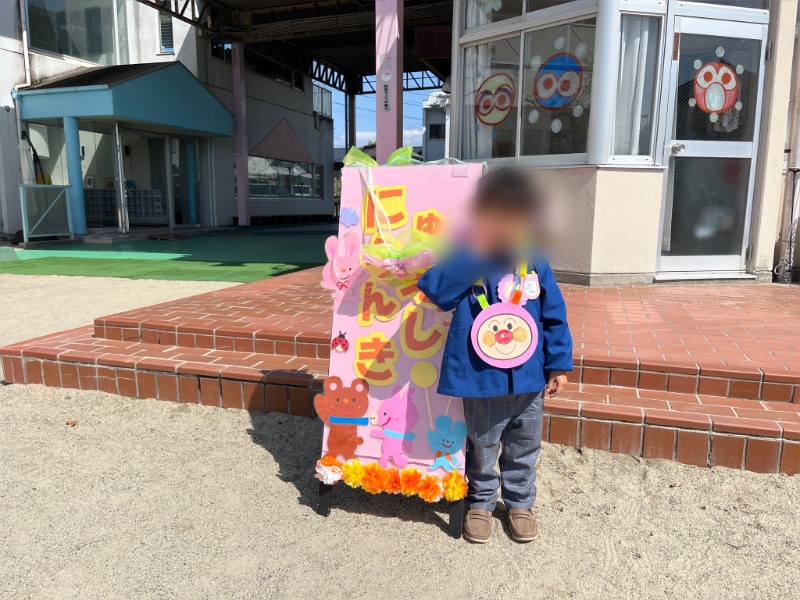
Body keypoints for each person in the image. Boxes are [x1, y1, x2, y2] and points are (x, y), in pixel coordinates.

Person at [418, 168, 573, 544]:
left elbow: (554, 316)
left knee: (525, 445)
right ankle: (482, 502)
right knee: (483, 445)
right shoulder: (466, 256)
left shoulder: (535, 261)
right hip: (480, 378)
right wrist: (476, 252)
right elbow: (436, 290)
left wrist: (558, 365)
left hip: (529, 378)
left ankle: (520, 502)